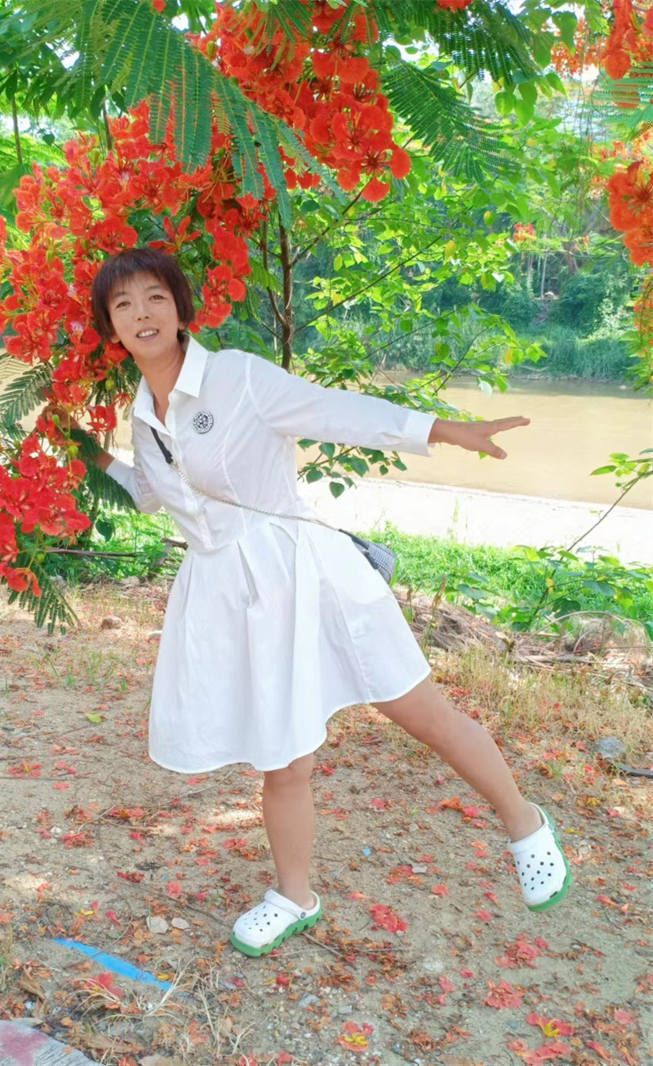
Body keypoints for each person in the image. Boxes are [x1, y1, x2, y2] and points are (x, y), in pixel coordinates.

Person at [49, 245, 572, 958]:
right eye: (123, 304)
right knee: (283, 755)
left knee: (420, 711)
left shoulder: (237, 376)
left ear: (180, 308)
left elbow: (335, 412)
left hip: (307, 572)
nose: (142, 313)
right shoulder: (144, 414)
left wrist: (443, 430)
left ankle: (525, 823)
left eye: (155, 297)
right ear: (110, 326)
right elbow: (151, 494)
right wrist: (86, 450)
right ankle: (294, 895)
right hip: (233, 597)